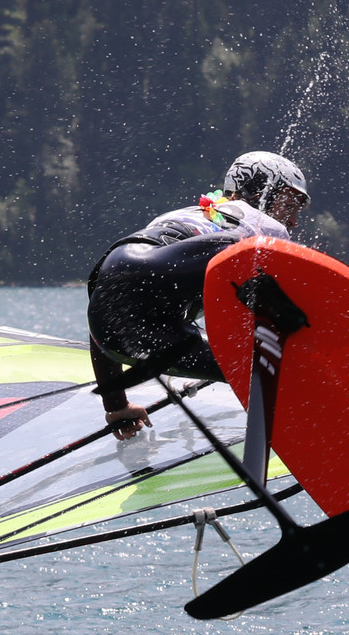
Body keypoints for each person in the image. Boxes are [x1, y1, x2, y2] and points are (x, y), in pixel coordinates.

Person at [87, 151, 310, 439]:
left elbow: (109, 307)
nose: (292, 220)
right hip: (143, 270)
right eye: (289, 204)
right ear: (259, 192)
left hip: (117, 320)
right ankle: (314, 433)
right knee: (262, 255)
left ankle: (287, 434)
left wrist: (116, 406)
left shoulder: (193, 216)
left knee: (250, 366)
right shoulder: (254, 223)